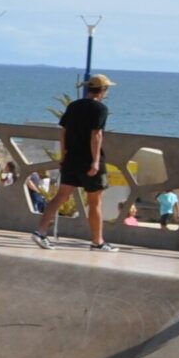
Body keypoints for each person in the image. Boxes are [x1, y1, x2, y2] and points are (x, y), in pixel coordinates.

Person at [33, 74, 114, 252]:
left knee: (61, 196)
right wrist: (95, 161)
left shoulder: (73, 106)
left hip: (71, 159)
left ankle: (40, 231)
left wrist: (63, 156)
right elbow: (96, 135)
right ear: (103, 90)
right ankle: (97, 241)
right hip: (88, 160)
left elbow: (63, 132)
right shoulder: (100, 109)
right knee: (96, 201)